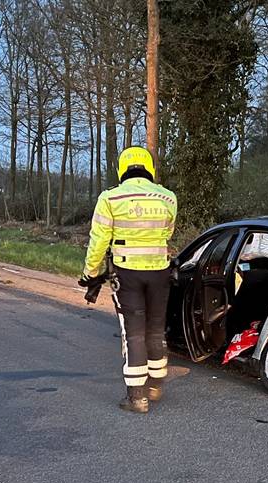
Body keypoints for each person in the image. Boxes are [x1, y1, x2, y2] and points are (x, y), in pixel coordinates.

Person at [81, 146, 178, 413]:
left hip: (127, 274)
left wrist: (90, 273)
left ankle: (137, 398)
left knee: (133, 334)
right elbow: (167, 233)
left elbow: (99, 241)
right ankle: (156, 386)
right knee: (156, 329)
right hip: (160, 273)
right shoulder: (168, 198)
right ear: (149, 167)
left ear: (122, 169)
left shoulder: (110, 199)